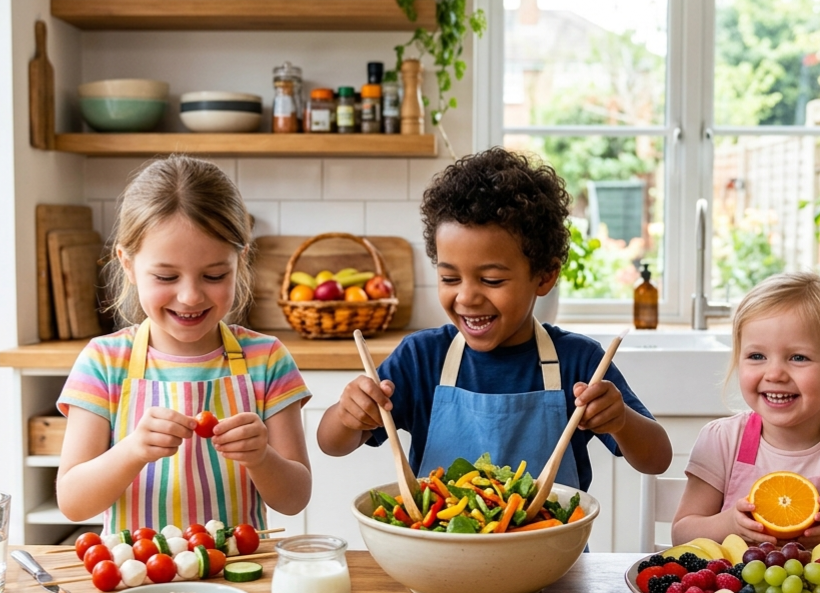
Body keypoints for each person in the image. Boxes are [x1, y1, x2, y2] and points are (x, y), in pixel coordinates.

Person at [317, 147, 672, 492]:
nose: (467, 297)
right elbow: (331, 443)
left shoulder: (579, 360)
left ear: (545, 276)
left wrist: (622, 420)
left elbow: (657, 459)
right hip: (438, 552)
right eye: (450, 278)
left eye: (492, 280)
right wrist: (349, 413)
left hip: (554, 552)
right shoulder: (421, 357)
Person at [56, 155, 312, 534]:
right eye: (165, 276)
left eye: (214, 274)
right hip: (139, 581)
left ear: (239, 262)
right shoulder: (104, 361)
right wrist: (132, 450)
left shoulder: (267, 359)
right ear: (127, 264)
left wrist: (262, 458)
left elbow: (295, 499)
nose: (190, 296)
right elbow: (73, 503)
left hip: (238, 578)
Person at [672, 271, 820, 555]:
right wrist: (730, 524)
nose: (774, 374)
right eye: (757, 356)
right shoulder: (721, 440)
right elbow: (682, 532)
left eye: (798, 357)